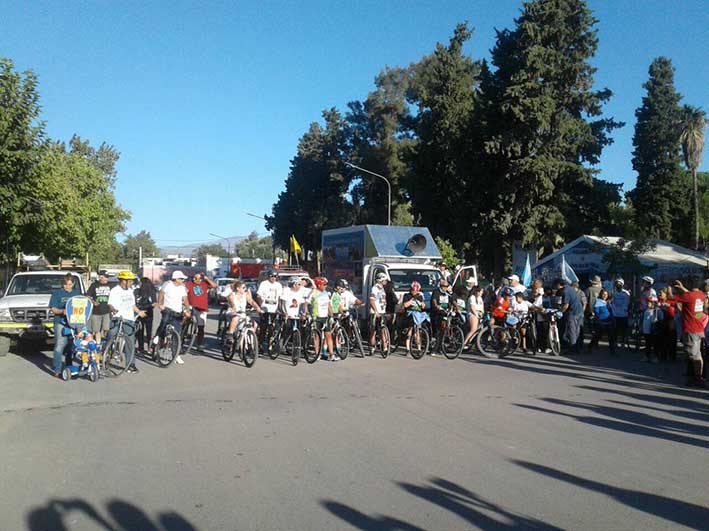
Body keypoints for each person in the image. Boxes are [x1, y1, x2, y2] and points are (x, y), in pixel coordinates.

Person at [107, 270, 146, 374]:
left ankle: (130, 364)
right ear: (123, 281)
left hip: (128, 319)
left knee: (130, 342)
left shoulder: (130, 291)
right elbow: (110, 304)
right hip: (117, 318)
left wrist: (139, 312)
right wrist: (113, 310)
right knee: (111, 335)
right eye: (130, 281)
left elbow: (132, 305)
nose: (131, 283)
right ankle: (106, 355)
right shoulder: (115, 291)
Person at [673, 278, 706, 387]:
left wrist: (671, 290)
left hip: (691, 329)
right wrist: (682, 288)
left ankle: (698, 378)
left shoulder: (689, 297)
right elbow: (690, 295)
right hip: (698, 328)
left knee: (693, 355)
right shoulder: (700, 295)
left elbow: (673, 298)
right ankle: (696, 376)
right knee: (696, 354)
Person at [48, 274, 82, 378]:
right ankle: (57, 369)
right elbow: (53, 308)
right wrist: (62, 311)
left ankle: (69, 366)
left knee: (72, 346)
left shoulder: (77, 294)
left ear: (73, 284)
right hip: (60, 322)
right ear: (63, 284)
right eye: (66, 284)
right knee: (60, 345)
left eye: (70, 284)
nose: (67, 286)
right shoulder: (57, 293)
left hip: (74, 323)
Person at [156, 270, 191, 365]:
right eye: (181, 278)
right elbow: (161, 294)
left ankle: (176, 355)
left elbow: (185, 299)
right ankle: (157, 338)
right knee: (164, 323)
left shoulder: (183, 288)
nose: (182, 280)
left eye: (183, 279)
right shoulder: (168, 284)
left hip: (178, 311)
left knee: (177, 334)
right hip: (167, 309)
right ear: (176, 278)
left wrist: (187, 310)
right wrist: (160, 304)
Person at [185, 272, 217, 352]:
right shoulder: (189, 284)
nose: (194, 279)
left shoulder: (205, 284)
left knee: (201, 327)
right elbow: (184, 292)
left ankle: (199, 344)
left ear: (201, 279)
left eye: (197, 278)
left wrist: (207, 279)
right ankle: (182, 336)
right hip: (191, 306)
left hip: (202, 308)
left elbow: (214, 286)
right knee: (186, 320)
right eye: (194, 277)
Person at [310, 277, 337, 361]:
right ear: (318, 285)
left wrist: (331, 316)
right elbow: (307, 303)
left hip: (325, 317)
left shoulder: (325, 293)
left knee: (328, 335)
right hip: (317, 317)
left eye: (326, 284)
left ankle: (332, 354)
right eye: (324, 285)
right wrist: (307, 313)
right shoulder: (313, 293)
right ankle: (317, 354)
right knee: (317, 337)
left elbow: (329, 305)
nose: (326, 286)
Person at [554, 278, 583, 355]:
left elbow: (566, 305)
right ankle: (577, 347)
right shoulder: (570, 288)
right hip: (579, 312)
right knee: (577, 331)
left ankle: (573, 349)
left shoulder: (565, 291)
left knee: (572, 331)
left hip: (573, 313)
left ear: (559, 285)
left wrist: (560, 312)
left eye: (556, 285)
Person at [257, 269, 284, 351]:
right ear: (268, 276)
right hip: (265, 309)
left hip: (274, 310)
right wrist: (261, 305)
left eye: (275, 276)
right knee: (263, 328)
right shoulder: (264, 284)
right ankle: (260, 344)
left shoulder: (278, 285)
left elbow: (279, 298)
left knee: (272, 328)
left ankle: (270, 345)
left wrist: (280, 308)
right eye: (272, 276)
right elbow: (258, 296)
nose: (273, 278)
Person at [401, 281, 427, 355]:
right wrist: (412, 299)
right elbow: (405, 305)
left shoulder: (420, 296)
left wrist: (422, 303)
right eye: (413, 290)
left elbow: (423, 306)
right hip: (410, 314)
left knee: (418, 332)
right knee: (409, 333)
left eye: (416, 291)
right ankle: (407, 349)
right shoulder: (406, 296)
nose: (415, 292)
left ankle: (419, 349)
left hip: (418, 314)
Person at [86, 272, 111, 345]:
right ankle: (98, 344)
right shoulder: (94, 285)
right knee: (96, 330)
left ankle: (107, 341)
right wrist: (93, 302)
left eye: (107, 277)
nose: (107, 279)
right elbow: (88, 296)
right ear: (100, 277)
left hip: (107, 311)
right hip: (96, 312)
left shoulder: (110, 285)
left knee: (107, 328)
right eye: (105, 277)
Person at [588, 288, 616, 354]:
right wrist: (599, 320)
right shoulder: (598, 301)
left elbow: (611, 312)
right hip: (601, 322)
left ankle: (613, 351)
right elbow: (596, 312)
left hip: (609, 321)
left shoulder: (608, 303)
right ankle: (590, 347)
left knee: (611, 336)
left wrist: (612, 319)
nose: (604, 295)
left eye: (606, 294)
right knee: (596, 336)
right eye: (603, 294)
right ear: (601, 294)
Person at [134, 277, 157, 353]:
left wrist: (146, 307)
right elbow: (133, 302)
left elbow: (153, 303)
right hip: (139, 313)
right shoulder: (136, 291)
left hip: (148, 313)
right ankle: (141, 348)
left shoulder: (151, 292)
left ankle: (150, 348)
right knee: (139, 331)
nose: (139, 284)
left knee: (149, 331)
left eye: (140, 282)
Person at [431, 279, 452, 355]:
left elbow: (451, 301)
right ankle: (434, 349)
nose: (446, 288)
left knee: (443, 331)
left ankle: (440, 348)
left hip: (445, 313)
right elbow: (434, 301)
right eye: (445, 286)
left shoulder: (446, 293)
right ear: (441, 286)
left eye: (447, 286)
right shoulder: (436, 292)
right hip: (437, 313)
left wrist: (454, 307)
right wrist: (437, 306)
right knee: (438, 332)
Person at [640, 296, 662, 363]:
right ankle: (647, 356)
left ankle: (656, 357)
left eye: (649, 302)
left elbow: (661, 319)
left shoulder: (657, 310)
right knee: (647, 344)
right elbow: (642, 319)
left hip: (653, 330)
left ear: (654, 303)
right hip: (646, 330)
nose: (647, 303)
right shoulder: (645, 310)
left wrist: (657, 321)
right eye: (647, 302)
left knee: (655, 344)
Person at [610, 278, 631, 349]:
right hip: (615, 314)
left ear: (622, 284)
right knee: (615, 329)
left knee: (623, 330)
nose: (618, 285)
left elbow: (628, 303)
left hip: (623, 314)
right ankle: (615, 342)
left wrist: (626, 309)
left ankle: (623, 343)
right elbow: (611, 301)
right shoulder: (613, 292)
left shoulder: (626, 293)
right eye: (617, 283)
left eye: (619, 283)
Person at [656, 287, 677, 362]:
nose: (659, 294)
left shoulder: (671, 300)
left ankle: (672, 356)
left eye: (661, 293)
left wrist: (668, 305)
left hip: (670, 321)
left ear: (666, 294)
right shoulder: (657, 301)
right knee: (662, 339)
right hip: (661, 321)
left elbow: (677, 304)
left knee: (671, 340)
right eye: (659, 293)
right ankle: (663, 356)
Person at [369, 273, 388, 348]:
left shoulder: (382, 288)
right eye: (385, 280)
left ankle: (385, 347)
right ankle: (372, 346)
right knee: (373, 331)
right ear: (381, 280)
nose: (386, 281)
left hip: (382, 312)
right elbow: (371, 300)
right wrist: (376, 311)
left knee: (383, 329)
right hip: (375, 312)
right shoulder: (375, 288)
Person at [572, 281, 588, 350]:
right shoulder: (574, 293)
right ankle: (577, 343)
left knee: (579, 329)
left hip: (579, 313)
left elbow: (584, 303)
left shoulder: (581, 293)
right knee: (576, 329)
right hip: (575, 313)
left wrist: (582, 312)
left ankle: (580, 343)